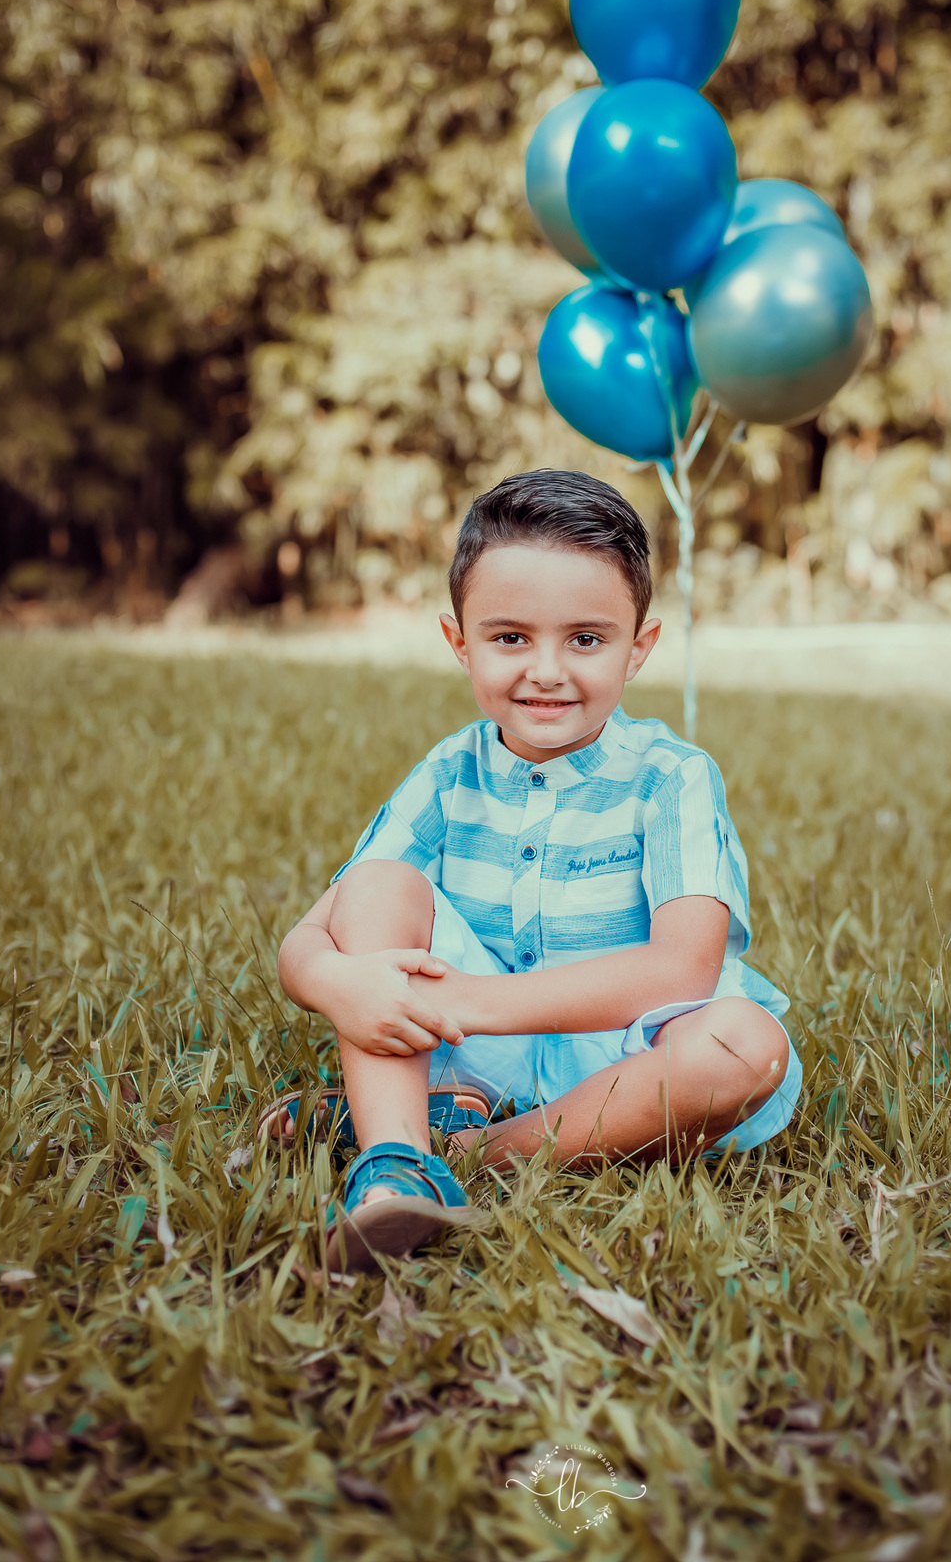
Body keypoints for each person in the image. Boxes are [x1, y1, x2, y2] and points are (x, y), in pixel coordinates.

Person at [270, 469, 800, 1270]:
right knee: (376, 885)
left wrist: (469, 1002)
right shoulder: (448, 774)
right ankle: (397, 1160)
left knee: (746, 1044)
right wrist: (336, 983)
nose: (547, 670)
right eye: (511, 638)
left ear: (638, 648)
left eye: (585, 639)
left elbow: (684, 967)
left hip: (627, 1063)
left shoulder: (671, 777)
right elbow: (311, 935)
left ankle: (465, 1150)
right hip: (476, 1047)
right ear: (460, 643)